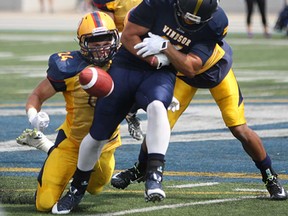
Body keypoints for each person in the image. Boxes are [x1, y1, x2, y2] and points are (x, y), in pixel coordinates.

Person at [111, 0, 288, 202]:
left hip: (213, 72)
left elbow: (191, 66)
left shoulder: (217, 22)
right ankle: (141, 168)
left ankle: (270, 176)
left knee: (239, 127)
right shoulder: (160, 6)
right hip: (181, 76)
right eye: (185, 15)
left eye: (195, 19)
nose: (188, 21)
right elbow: (133, 29)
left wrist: (165, 47)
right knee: (160, 121)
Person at [15, 11, 129, 213]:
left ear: (115, 38)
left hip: (103, 144)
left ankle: (46, 146)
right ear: (83, 43)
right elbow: (37, 96)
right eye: (94, 43)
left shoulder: (125, 64)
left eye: (105, 41)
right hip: (72, 143)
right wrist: (34, 116)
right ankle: (51, 149)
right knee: (44, 205)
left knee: (95, 188)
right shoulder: (68, 67)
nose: (101, 49)